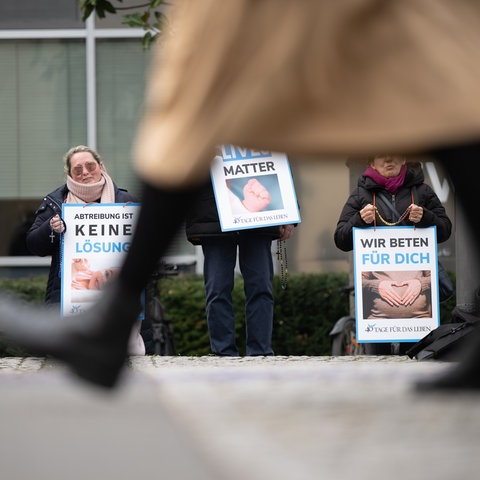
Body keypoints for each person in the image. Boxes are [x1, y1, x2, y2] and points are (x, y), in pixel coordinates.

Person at [1, 1, 480, 389]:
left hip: (256, 216)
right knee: (438, 79)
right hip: (215, 221)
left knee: (201, 84)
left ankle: (109, 323)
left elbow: (268, 166)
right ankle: (116, 323)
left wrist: (284, 209)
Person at [24, 145, 150, 355]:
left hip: (117, 294)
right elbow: (33, 245)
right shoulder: (56, 203)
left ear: (101, 166)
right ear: (69, 174)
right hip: (70, 297)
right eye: (78, 169)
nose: (85, 172)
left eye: (90, 166)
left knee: (123, 355)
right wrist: (50, 228)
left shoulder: (127, 203)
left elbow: (147, 243)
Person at [333, 155, 452, 354]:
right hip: (376, 306)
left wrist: (426, 217)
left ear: (404, 159)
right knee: (377, 361)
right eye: (382, 155)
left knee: (413, 359)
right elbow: (340, 240)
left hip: (418, 308)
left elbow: (445, 230)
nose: (389, 160)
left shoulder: (423, 191)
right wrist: (359, 219)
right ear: (371, 162)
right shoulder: (360, 195)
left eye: (394, 154)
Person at [185, 179, 294, 357]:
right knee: (219, 288)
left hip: (245, 216)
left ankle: (254, 353)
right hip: (217, 215)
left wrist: (289, 212)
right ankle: (230, 353)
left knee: (258, 287)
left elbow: (280, 163)